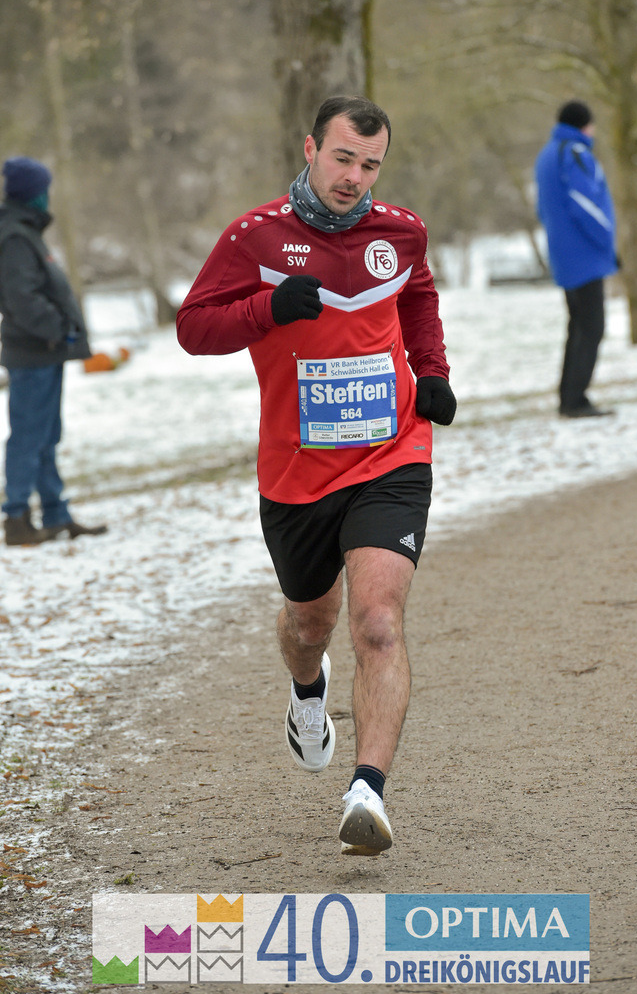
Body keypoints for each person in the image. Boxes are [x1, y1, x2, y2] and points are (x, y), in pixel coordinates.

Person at [177, 95, 456, 855]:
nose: (354, 177)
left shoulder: (399, 231)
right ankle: (308, 690)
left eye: (370, 164)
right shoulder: (256, 236)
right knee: (311, 625)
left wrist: (430, 371)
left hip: (390, 455)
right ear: (310, 148)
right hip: (296, 473)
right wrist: (266, 308)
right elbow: (193, 327)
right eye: (342, 158)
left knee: (377, 621)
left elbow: (419, 296)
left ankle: (367, 790)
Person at [0, 156, 107, 545]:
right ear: (32, 193)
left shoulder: (24, 231)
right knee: (28, 435)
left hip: (44, 351)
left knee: (46, 434)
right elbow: (20, 297)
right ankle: (15, 519)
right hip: (34, 352)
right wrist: (59, 330)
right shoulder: (14, 235)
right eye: (44, 189)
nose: (48, 196)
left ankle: (56, 515)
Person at [535, 100, 618, 417]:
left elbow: (543, 208)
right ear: (584, 125)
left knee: (578, 326)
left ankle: (569, 396)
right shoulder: (575, 153)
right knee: (592, 327)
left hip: (564, 253)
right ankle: (575, 400)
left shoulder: (548, 154)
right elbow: (586, 204)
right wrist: (607, 242)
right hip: (585, 255)